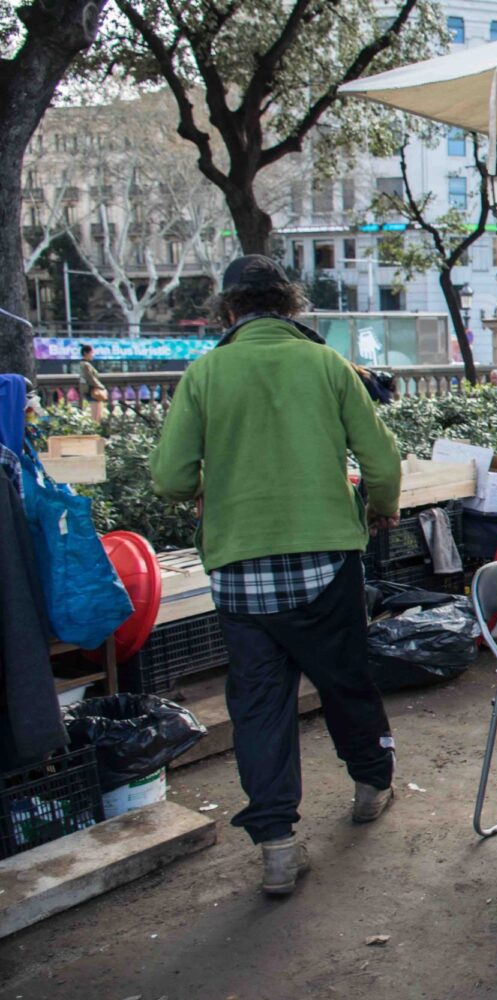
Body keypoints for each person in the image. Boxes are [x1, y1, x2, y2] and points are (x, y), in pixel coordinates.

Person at [149, 256, 402, 897]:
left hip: (239, 577)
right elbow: (381, 459)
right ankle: (371, 783)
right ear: (290, 307)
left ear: (228, 311)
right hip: (323, 563)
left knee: (259, 707)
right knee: (346, 679)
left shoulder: (205, 372)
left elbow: (171, 478)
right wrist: (379, 507)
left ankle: (277, 846)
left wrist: (220, 486)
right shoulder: (325, 365)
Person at [78, 343, 107, 422]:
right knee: (96, 414)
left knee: (97, 411)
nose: (92, 355)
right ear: (85, 353)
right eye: (91, 353)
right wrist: (101, 386)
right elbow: (91, 378)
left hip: (89, 390)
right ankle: (95, 428)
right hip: (91, 391)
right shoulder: (86, 365)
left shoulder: (83, 364)